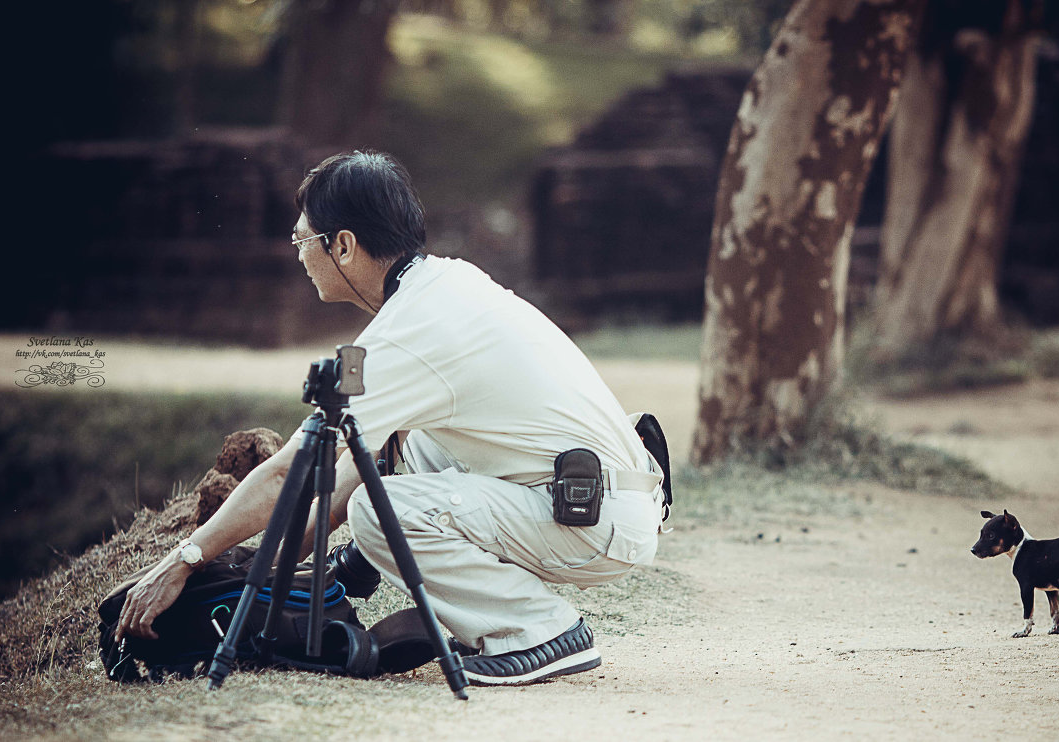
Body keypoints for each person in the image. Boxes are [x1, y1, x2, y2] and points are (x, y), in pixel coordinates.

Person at [115, 150, 667, 686]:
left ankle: (539, 632)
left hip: (594, 521)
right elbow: (354, 464)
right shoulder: (443, 284)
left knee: (379, 512)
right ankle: (360, 564)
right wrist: (269, 571)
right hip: (600, 501)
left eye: (303, 239)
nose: (298, 254)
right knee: (401, 448)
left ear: (345, 245)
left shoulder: (407, 339)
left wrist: (185, 560)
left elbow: (290, 474)